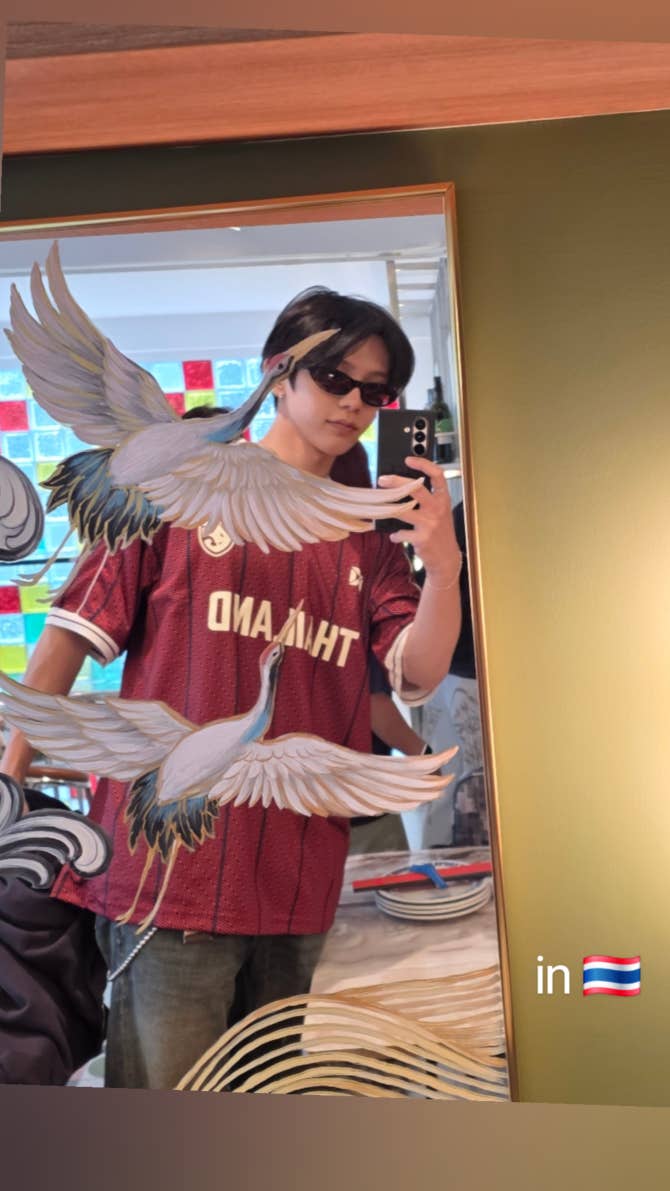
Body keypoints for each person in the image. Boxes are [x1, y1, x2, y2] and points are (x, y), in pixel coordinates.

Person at [2, 286, 462, 1090]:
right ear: (279, 373)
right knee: (168, 1126)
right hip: (171, 879)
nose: (354, 405)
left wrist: (444, 565)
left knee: (262, 1117)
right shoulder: (175, 484)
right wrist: (10, 785)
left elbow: (416, 673)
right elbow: (71, 635)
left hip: (298, 883)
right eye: (334, 377)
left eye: (375, 391)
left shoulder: (367, 537)